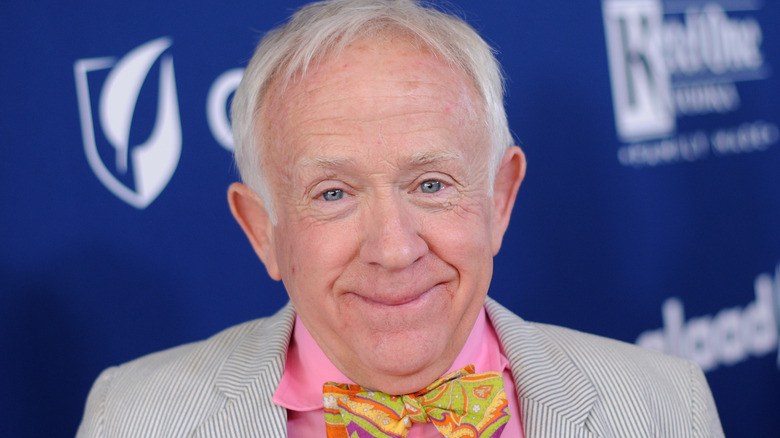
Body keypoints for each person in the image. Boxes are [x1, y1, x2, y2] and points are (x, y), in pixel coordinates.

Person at [77, 0, 724, 436]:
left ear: (499, 199)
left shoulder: (668, 406)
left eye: (432, 183)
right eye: (332, 194)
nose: (393, 249)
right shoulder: (132, 417)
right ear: (261, 230)